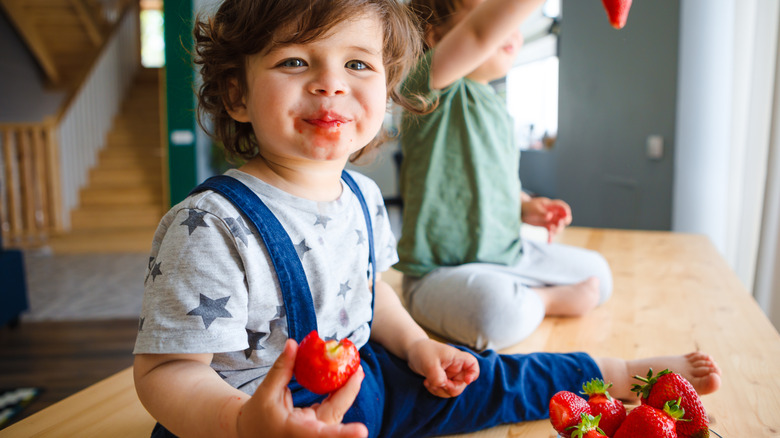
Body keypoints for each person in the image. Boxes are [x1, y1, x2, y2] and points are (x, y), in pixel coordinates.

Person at [132, 1, 722, 437]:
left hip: (367, 385)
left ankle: (617, 373)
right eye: (293, 60)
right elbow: (166, 374)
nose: (331, 83)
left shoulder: (360, 196)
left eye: (358, 65)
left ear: (388, 86)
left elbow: (369, 295)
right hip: (246, 422)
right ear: (236, 95)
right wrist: (243, 425)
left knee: (491, 378)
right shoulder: (209, 226)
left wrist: (417, 346)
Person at [395, 0, 613, 351]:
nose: (510, 27)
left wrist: (527, 207)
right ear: (436, 37)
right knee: (494, 314)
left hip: (508, 257)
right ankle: (545, 301)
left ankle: (525, 296)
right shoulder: (426, 90)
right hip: (439, 273)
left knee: (599, 275)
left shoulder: (496, 106)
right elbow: (477, 34)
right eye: (491, 12)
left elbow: (498, 183)